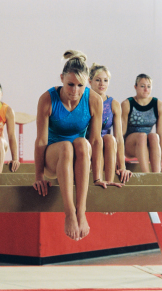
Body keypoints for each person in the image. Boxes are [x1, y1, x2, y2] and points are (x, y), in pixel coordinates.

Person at [33, 50, 121, 242]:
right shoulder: (47, 99)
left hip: (79, 158)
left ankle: (82, 211)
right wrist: (39, 175)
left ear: (86, 83)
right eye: (70, 85)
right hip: (54, 157)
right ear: (62, 78)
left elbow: (96, 141)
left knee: (81, 142)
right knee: (66, 146)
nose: (75, 91)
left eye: (80, 85)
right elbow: (41, 141)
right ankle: (70, 213)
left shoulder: (93, 100)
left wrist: (97, 177)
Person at [87, 64, 132, 183]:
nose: (102, 84)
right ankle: (99, 179)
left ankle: (110, 182)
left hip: (106, 147)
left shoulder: (114, 104)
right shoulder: (84, 100)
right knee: (101, 140)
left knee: (110, 139)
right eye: (98, 80)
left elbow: (119, 138)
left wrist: (122, 166)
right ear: (90, 81)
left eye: (105, 80)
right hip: (88, 144)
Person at [121, 74, 162, 173]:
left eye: (148, 86)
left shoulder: (158, 104)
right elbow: (121, 133)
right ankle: (146, 174)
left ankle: (156, 175)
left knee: (154, 136)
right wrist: (119, 155)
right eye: (142, 86)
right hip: (130, 145)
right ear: (135, 87)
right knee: (142, 136)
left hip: (147, 146)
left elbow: (160, 134)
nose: (145, 90)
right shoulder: (127, 104)